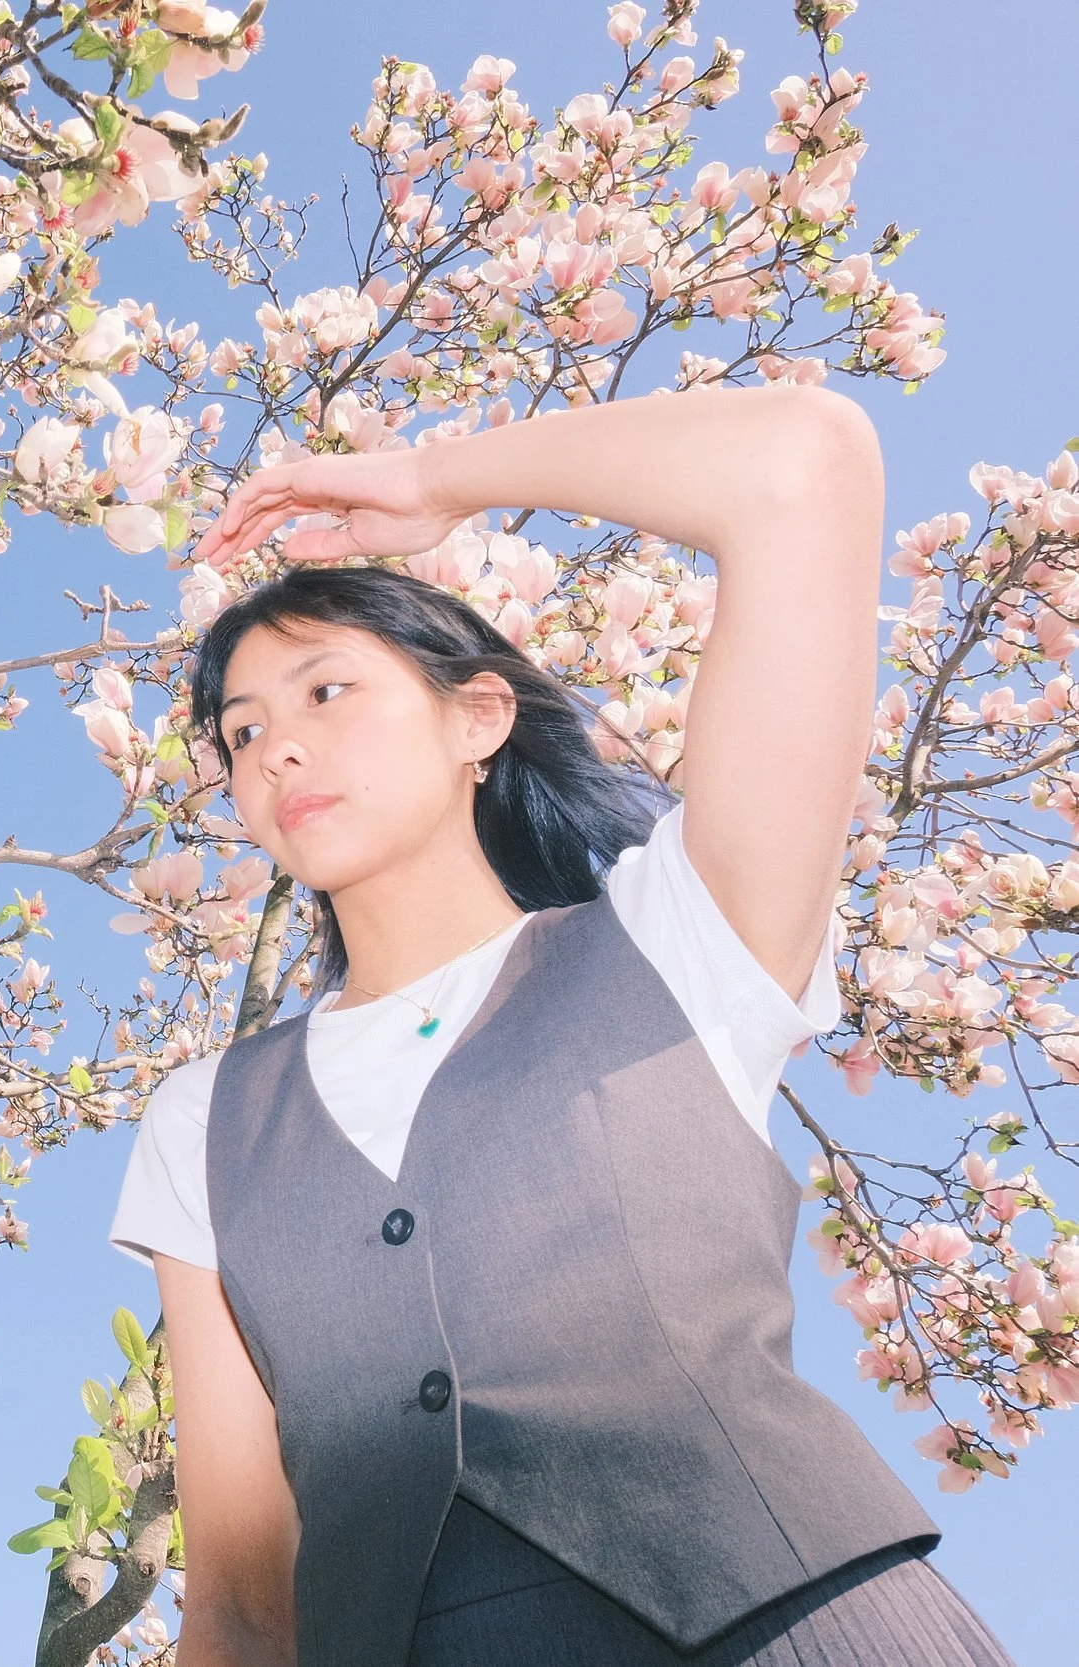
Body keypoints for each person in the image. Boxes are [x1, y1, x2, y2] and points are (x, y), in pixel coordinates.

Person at [107, 385, 1020, 1666]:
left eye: (325, 691)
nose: (275, 752)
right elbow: (244, 1601)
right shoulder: (205, 1121)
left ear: (477, 716)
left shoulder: (676, 939)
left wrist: (438, 479)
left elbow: (801, 461)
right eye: (241, 731)